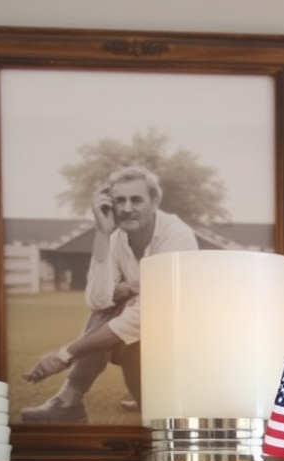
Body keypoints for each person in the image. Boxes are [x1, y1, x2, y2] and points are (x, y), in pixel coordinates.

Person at [20, 164, 198, 424]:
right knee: (108, 308)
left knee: (125, 309)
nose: (126, 208)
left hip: (183, 353)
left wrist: (65, 354)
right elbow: (98, 300)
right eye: (119, 200)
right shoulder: (115, 239)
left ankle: (71, 400)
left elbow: (148, 315)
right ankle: (70, 401)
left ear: (155, 201)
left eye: (136, 199)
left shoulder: (177, 237)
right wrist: (102, 233)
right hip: (141, 350)